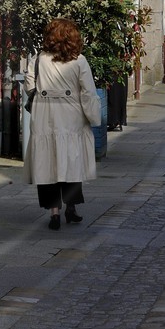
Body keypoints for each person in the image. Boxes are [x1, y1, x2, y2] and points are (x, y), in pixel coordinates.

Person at [23, 17, 101, 229]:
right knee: (71, 161)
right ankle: (71, 207)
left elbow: (29, 86)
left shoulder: (38, 60)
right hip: (71, 115)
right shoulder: (79, 61)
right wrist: (94, 117)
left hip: (44, 115)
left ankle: (54, 213)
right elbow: (88, 92)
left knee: (46, 163)